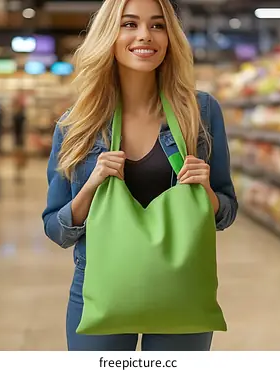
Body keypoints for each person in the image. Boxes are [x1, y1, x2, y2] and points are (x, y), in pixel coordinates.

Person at [42, 0, 238, 351]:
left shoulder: (201, 112)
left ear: (171, 36)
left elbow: (225, 212)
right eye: (129, 24)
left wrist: (205, 191)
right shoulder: (78, 124)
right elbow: (56, 229)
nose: (145, 35)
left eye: (158, 25)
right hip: (100, 289)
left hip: (182, 290)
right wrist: (90, 188)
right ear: (109, 34)